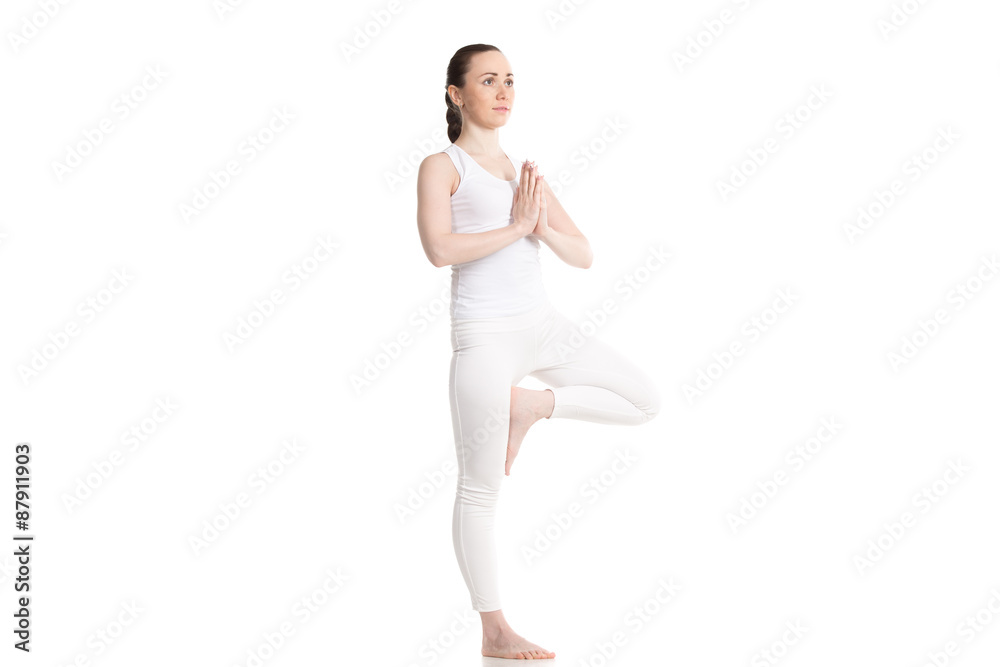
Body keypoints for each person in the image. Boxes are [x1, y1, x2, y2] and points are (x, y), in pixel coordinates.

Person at [415, 44, 661, 660]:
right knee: (480, 490)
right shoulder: (442, 166)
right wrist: (517, 228)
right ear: (456, 94)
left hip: (542, 325)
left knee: (644, 401)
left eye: (509, 80)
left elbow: (583, 254)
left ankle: (533, 407)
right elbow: (440, 250)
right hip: (484, 335)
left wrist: (540, 225)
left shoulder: (522, 171)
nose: (503, 92)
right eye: (488, 81)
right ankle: (495, 631)